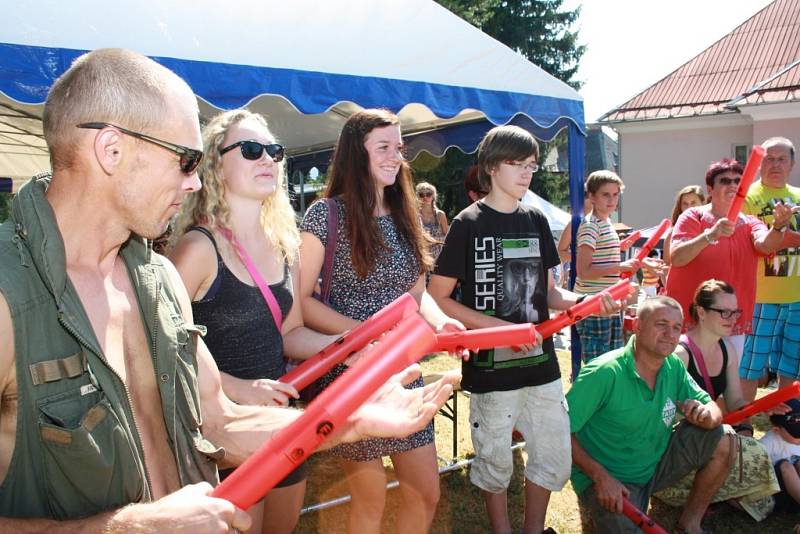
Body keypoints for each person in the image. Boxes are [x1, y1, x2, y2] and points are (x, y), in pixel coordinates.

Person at [0, 48, 458, 531]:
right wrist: (124, 529)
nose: (196, 182)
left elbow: (220, 424)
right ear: (112, 150)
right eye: (185, 160)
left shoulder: (157, 282)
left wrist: (353, 419)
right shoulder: (10, 294)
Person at [427, 125, 631, 534]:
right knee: (495, 459)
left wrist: (588, 301)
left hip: (541, 367)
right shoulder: (467, 224)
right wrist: (503, 330)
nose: (526, 173)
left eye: (532, 166)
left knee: (553, 453)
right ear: (489, 167)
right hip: (490, 371)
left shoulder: (536, 219)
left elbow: (550, 294)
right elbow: (437, 296)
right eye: (515, 164)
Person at [169, 109, 342, 533]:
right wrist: (240, 388)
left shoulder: (286, 246)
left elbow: (289, 333)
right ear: (215, 164)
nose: (268, 159)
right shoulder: (196, 249)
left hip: (279, 427)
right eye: (251, 150)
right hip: (218, 436)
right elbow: (161, 350)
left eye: (275, 151)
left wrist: (348, 349)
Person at [299, 108, 464, 534]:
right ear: (358, 153)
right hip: (350, 375)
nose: (396, 157)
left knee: (426, 492)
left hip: (400, 370)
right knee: (369, 499)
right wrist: (359, 337)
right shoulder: (325, 215)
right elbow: (300, 302)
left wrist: (441, 322)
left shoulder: (404, 212)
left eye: (399, 148)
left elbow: (417, 294)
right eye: (384, 147)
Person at [568, 296, 732, 534]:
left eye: (677, 327)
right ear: (637, 325)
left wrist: (706, 415)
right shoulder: (604, 372)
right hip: (610, 479)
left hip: (653, 465)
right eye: (661, 324)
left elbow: (714, 409)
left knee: (723, 438)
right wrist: (600, 477)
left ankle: (690, 524)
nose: (670, 333)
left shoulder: (673, 365)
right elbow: (559, 430)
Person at [664, 158, 793, 357]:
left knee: (725, 381)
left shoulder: (750, 222)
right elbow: (678, 257)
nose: (733, 185)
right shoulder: (692, 216)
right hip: (692, 317)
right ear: (710, 189)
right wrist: (710, 235)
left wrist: (778, 227)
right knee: (683, 381)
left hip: (730, 319)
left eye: (737, 181)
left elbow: (765, 245)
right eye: (725, 181)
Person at [740, 137, 800, 403]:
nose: (775, 164)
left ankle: (787, 418)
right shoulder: (748, 197)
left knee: (792, 362)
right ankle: (741, 421)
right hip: (760, 296)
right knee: (751, 362)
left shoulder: (798, 195)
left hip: (797, 296)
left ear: (792, 164)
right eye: (769, 158)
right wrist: (778, 236)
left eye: (781, 159)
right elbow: (746, 243)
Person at [573, 170, 642, 362]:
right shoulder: (591, 225)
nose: (612, 199)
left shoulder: (606, 223)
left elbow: (600, 255)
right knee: (598, 365)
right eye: (605, 194)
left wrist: (619, 247)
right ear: (592, 197)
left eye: (615, 194)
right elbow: (584, 271)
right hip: (594, 305)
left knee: (613, 361)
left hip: (609, 302)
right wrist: (620, 266)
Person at [759, 399, 800, 514]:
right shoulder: (768, 443)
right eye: (796, 435)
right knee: (785, 465)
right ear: (777, 430)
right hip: (777, 495)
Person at [663, 185, 706, 264]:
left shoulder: (714, 227)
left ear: (703, 203)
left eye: (693, 203)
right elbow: (667, 264)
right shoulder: (672, 232)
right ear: (680, 207)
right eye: (685, 204)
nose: (689, 207)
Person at [415, 181, 449, 264]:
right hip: (422, 257)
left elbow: (447, 237)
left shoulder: (440, 215)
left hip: (439, 258)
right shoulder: (414, 215)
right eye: (421, 195)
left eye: (428, 194)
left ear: (433, 196)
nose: (425, 197)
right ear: (417, 197)